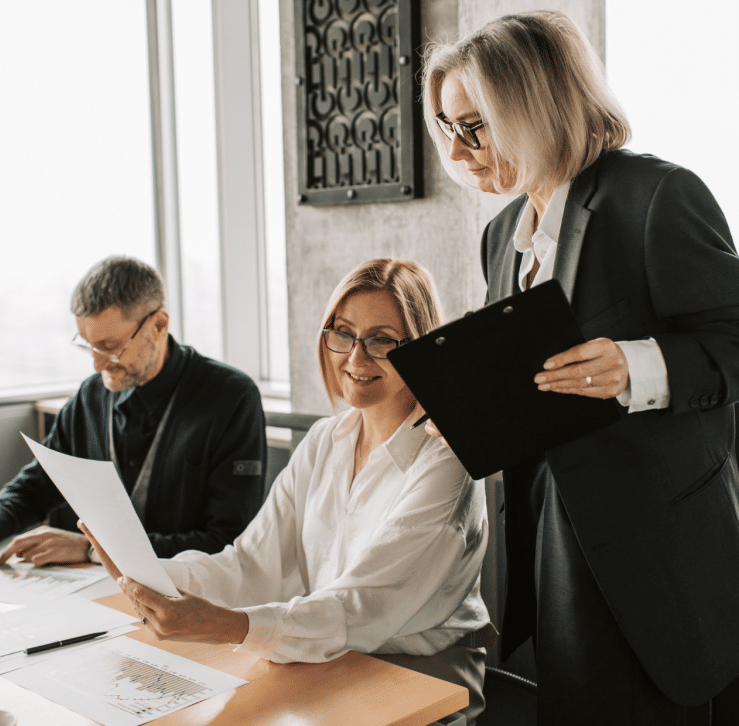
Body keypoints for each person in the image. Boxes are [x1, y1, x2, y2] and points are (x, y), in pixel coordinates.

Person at [421, 11, 739, 725]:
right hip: (546, 539)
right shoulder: (502, 236)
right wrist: (471, 409)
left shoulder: (655, 197)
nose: (458, 152)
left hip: (656, 553)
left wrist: (634, 366)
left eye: (475, 126)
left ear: (536, 104)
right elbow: (532, 379)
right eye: (446, 128)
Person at [83, 259, 491, 723]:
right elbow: (251, 564)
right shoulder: (324, 441)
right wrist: (149, 576)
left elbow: (361, 606)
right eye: (343, 333)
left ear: (418, 348)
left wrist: (227, 626)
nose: (356, 359)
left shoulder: (446, 459)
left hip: (425, 683)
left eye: (381, 340)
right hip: (333, 661)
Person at [0, 256, 266, 566]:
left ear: (158, 325)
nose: (97, 364)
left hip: (190, 600)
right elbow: (39, 484)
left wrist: (93, 549)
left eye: (110, 347)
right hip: (101, 592)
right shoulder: (91, 396)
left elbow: (228, 542)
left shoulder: (231, 398)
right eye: (88, 345)